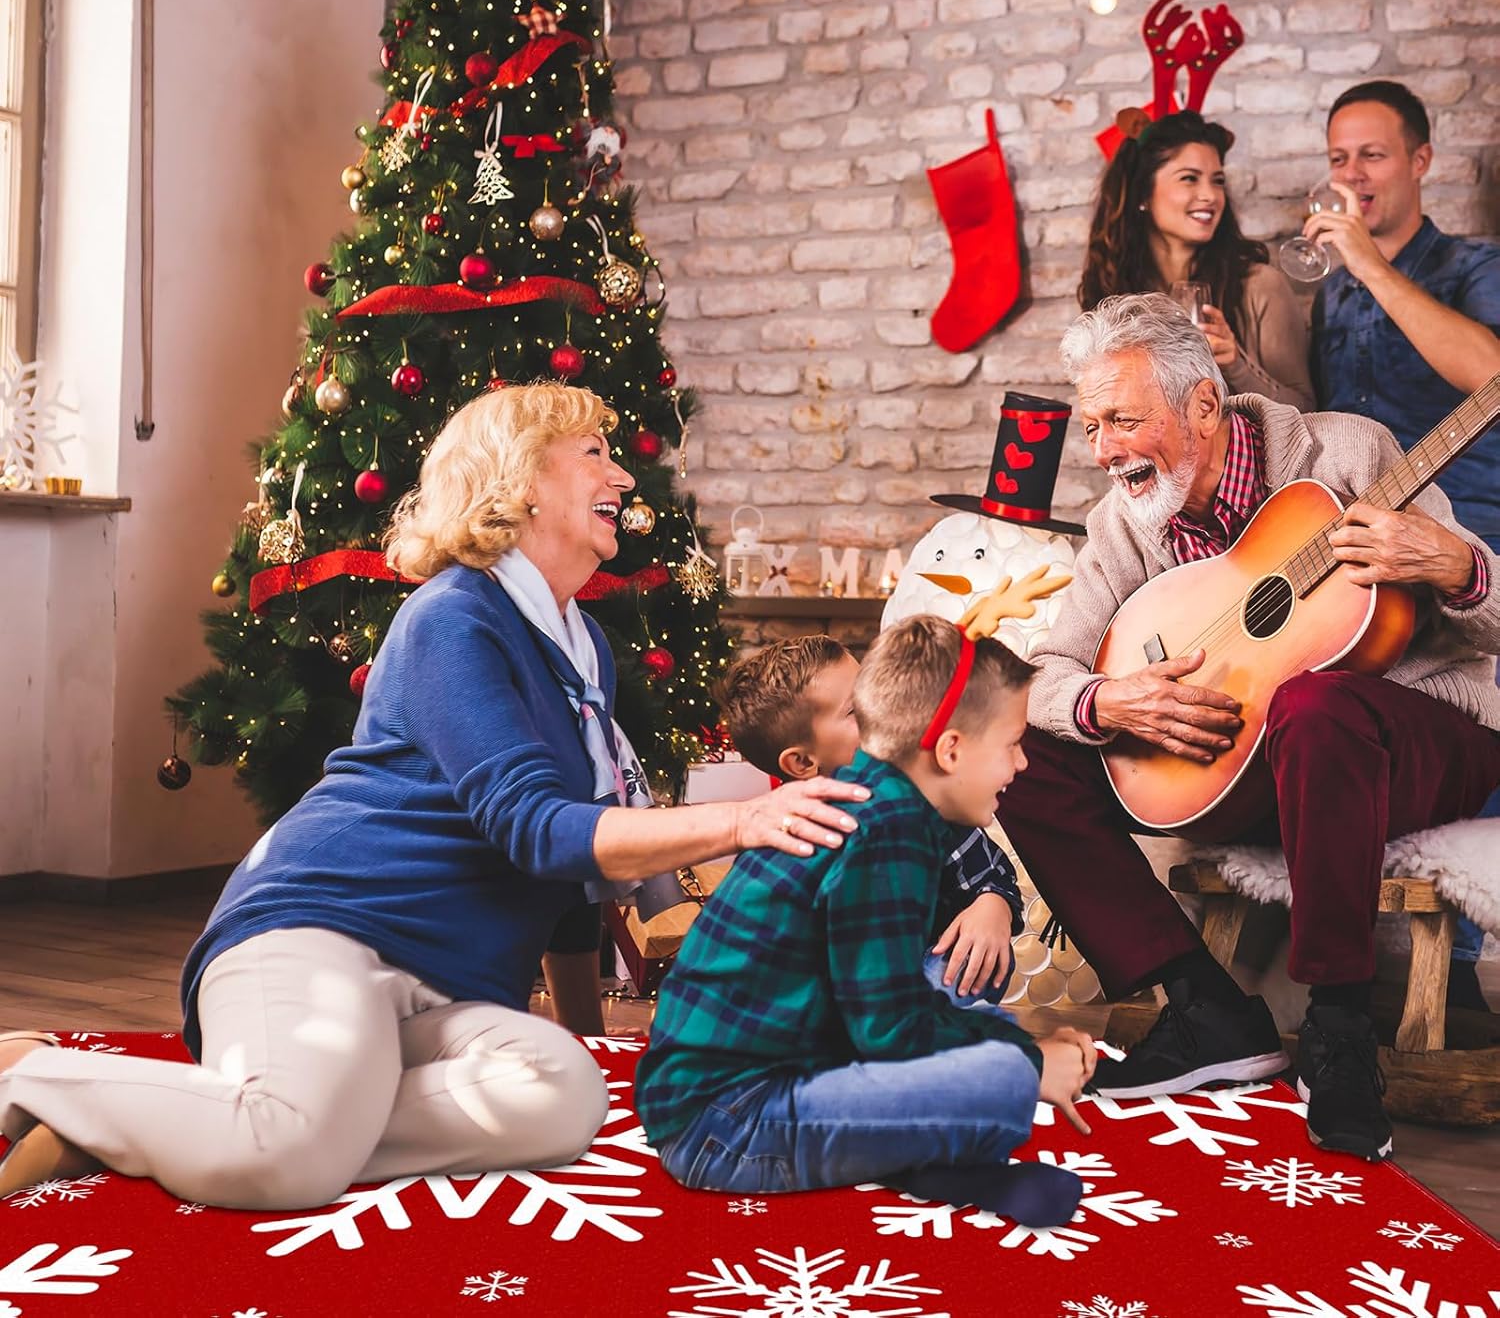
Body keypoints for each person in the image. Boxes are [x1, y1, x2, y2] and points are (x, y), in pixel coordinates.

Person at [0, 383, 869, 1210]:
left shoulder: (583, 648)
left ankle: (178, 1125)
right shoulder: (456, 616)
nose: (623, 476)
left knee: (566, 1097)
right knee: (286, 1155)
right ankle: (37, 1074)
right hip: (323, 931)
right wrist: (743, 820)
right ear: (521, 478)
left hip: (446, 994)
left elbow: (569, 881)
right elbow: (535, 828)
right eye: (596, 453)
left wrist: (588, 1033)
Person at [998, 294, 1500, 1162]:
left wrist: (1457, 567)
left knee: (1314, 700)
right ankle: (1207, 1010)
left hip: (1409, 737)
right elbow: (1046, 673)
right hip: (1251, 767)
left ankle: (1340, 1032)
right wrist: (1107, 704)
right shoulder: (1124, 521)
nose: (1104, 450)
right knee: (1022, 754)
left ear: (1202, 404)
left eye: (1122, 419)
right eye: (1091, 428)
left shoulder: (1346, 453)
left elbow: (1489, 621)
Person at [637, 615, 1098, 1226]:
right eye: (1012, 744)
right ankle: (933, 1155)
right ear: (952, 748)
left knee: (974, 1022)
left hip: (772, 1068)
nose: (1021, 765)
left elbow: (874, 999)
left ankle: (926, 1159)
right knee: (1001, 1073)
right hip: (724, 1125)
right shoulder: (888, 829)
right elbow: (890, 1032)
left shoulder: (884, 801)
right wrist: (1032, 1059)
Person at [1309, 79, 1500, 984]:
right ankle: (1372, 968)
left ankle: (1460, 963)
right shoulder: (1331, 298)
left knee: (1463, 730)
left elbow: (1492, 374)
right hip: (1365, 545)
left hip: (1470, 545)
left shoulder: (1473, 267)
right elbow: (1330, 428)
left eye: (1372, 154)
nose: (1354, 175)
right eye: (1339, 157)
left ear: (1421, 161)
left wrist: (1371, 266)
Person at [720, 634, 1023, 1007]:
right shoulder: (783, 835)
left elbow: (990, 871)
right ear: (802, 764)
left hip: (927, 972)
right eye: (856, 710)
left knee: (963, 967)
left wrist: (993, 906)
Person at [1080, 109, 1315, 410]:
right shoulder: (1114, 292)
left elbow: (1307, 410)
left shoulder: (1260, 285)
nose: (1210, 195)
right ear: (1143, 194)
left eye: (1217, 181)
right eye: (1189, 178)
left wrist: (1236, 365)